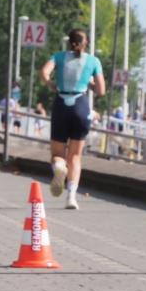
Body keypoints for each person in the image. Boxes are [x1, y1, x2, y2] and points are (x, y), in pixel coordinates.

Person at [40, 28, 106, 210]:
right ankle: (71, 197)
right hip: (81, 106)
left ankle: (59, 169)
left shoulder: (59, 57)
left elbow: (44, 72)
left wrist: (50, 83)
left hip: (61, 105)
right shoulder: (93, 61)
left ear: (69, 42)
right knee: (75, 156)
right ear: (87, 44)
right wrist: (89, 84)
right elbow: (101, 90)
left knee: (57, 155)